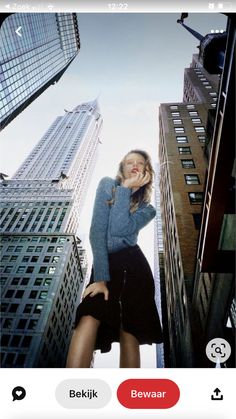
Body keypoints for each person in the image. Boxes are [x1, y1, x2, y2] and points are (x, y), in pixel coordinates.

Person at [66, 149, 163, 368]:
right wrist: (100, 278)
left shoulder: (148, 210)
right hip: (106, 264)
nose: (135, 165)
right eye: (129, 162)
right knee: (90, 313)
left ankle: (129, 394)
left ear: (147, 172)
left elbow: (119, 229)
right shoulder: (107, 184)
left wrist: (126, 190)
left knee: (130, 329)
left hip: (135, 267)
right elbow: (97, 232)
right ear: (122, 168)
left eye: (140, 163)